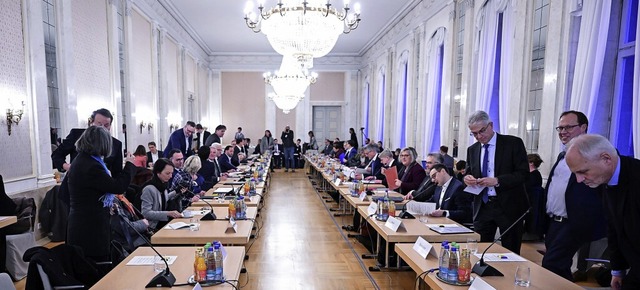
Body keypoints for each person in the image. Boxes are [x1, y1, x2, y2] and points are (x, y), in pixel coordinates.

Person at [564, 134, 640, 290]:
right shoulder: (604, 180)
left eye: (583, 171)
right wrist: (617, 270)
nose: (579, 180)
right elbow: (614, 228)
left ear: (606, 158)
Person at [541, 111, 607, 281]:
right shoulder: (563, 155)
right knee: (557, 267)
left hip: (573, 221)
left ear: (583, 127)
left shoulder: (595, 154)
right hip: (554, 222)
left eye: (568, 127)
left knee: (552, 264)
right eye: (560, 128)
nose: (563, 131)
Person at [66, 126, 136, 264]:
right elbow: (117, 187)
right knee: (94, 269)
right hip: (89, 228)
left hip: (87, 223)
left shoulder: (84, 160)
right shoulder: (91, 166)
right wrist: (129, 165)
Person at [463, 110, 529, 254]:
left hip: (509, 205)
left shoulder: (513, 143)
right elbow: (469, 171)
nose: (479, 136)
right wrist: (467, 178)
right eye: (474, 134)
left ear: (491, 125)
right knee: (480, 250)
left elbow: (523, 174)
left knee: (509, 252)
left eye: (482, 131)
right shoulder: (472, 149)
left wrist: (497, 181)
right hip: (483, 206)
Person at [52, 108, 123, 176]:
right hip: (76, 183)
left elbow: (117, 173)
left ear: (110, 126)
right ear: (92, 123)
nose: (102, 128)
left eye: (106, 125)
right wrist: (67, 167)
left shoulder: (116, 144)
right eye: (99, 124)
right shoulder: (77, 135)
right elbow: (57, 155)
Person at [140, 158, 182, 231]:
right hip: (152, 228)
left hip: (162, 223)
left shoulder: (163, 184)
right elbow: (146, 213)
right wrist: (168, 213)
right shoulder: (149, 189)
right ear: (158, 172)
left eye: (171, 173)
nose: (171, 176)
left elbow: (163, 199)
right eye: (167, 173)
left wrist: (176, 191)